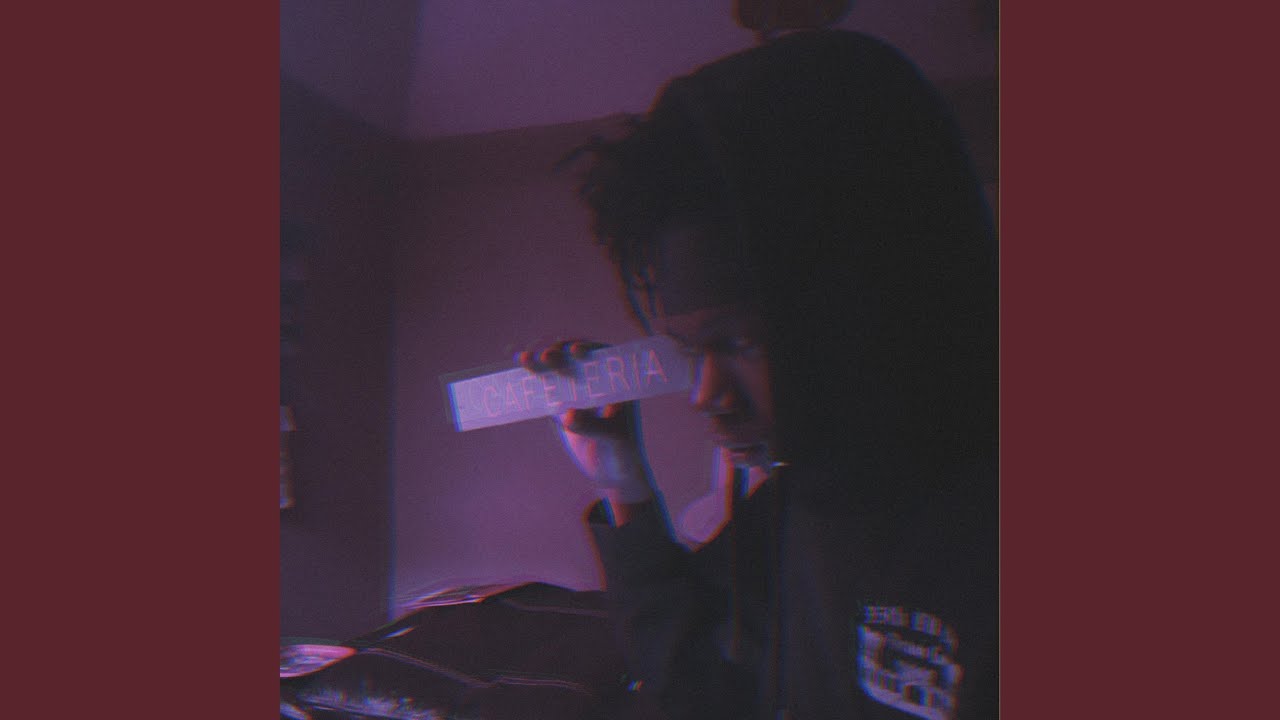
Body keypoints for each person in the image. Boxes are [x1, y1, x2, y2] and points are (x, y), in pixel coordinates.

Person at [524, 30, 998, 720]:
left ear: (871, 305)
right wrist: (621, 479)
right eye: (691, 351)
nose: (706, 397)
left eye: (743, 341)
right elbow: (699, 689)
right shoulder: (798, 498)